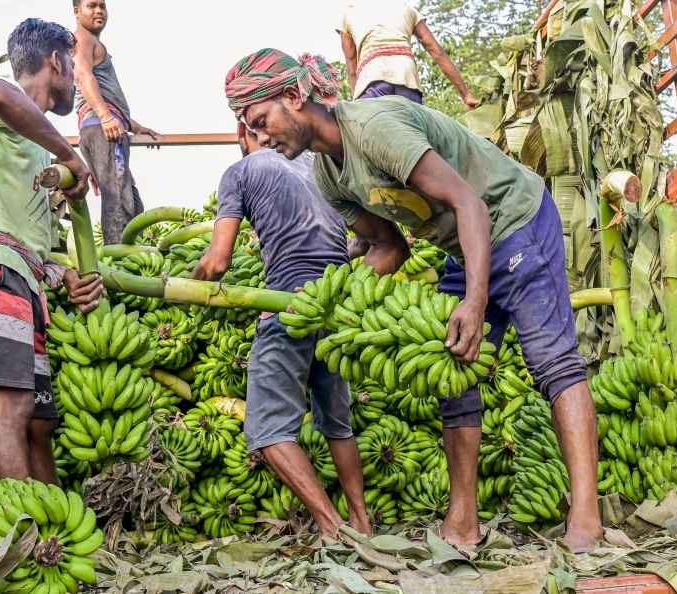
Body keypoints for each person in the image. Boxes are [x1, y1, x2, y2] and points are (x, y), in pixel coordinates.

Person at [222, 49, 604, 551]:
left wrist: (474, 300)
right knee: (454, 372)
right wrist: (322, 303)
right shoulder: (328, 176)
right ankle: (463, 519)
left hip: (513, 219)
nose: (260, 138)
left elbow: (469, 202)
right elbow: (389, 248)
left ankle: (586, 516)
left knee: (551, 363)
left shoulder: (374, 127)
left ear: (295, 97)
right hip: (459, 245)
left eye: (261, 121)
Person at [0, 19, 104, 483]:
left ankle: (53, 527)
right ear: (55, 62)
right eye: (72, 68)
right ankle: (17, 536)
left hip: (19, 274)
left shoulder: (33, 150)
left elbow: (26, 236)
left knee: (38, 420)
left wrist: (62, 276)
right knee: (11, 407)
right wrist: (71, 155)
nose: (75, 79)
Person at [193, 122, 371, 538]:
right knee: (337, 425)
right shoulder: (319, 166)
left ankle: (332, 527)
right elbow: (362, 243)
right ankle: (362, 521)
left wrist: (194, 276)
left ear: (242, 130)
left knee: (268, 431)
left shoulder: (241, 172)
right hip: (336, 309)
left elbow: (218, 262)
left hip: (285, 306)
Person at [73, 0, 160, 244]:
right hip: (102, 128)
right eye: (91, 6)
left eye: (102, 6)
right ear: (77, 11)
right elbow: (83, 76)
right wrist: (105, 116)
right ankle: (118, 265)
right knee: (117, 202)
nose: (99, 11)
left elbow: (106, 94)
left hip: (105, 127)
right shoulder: (83, 39)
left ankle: (133, 253)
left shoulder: (93, 42)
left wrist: (135, 126)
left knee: (130, 201)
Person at [338, 0, 479, 109]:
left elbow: (352, 67)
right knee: (413, 136)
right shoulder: (407, 9)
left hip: (371, 78)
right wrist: (466, 95)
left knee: (369, 139)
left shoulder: (349, 15)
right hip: (406, 77)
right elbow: (437, 51)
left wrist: (356, 104)